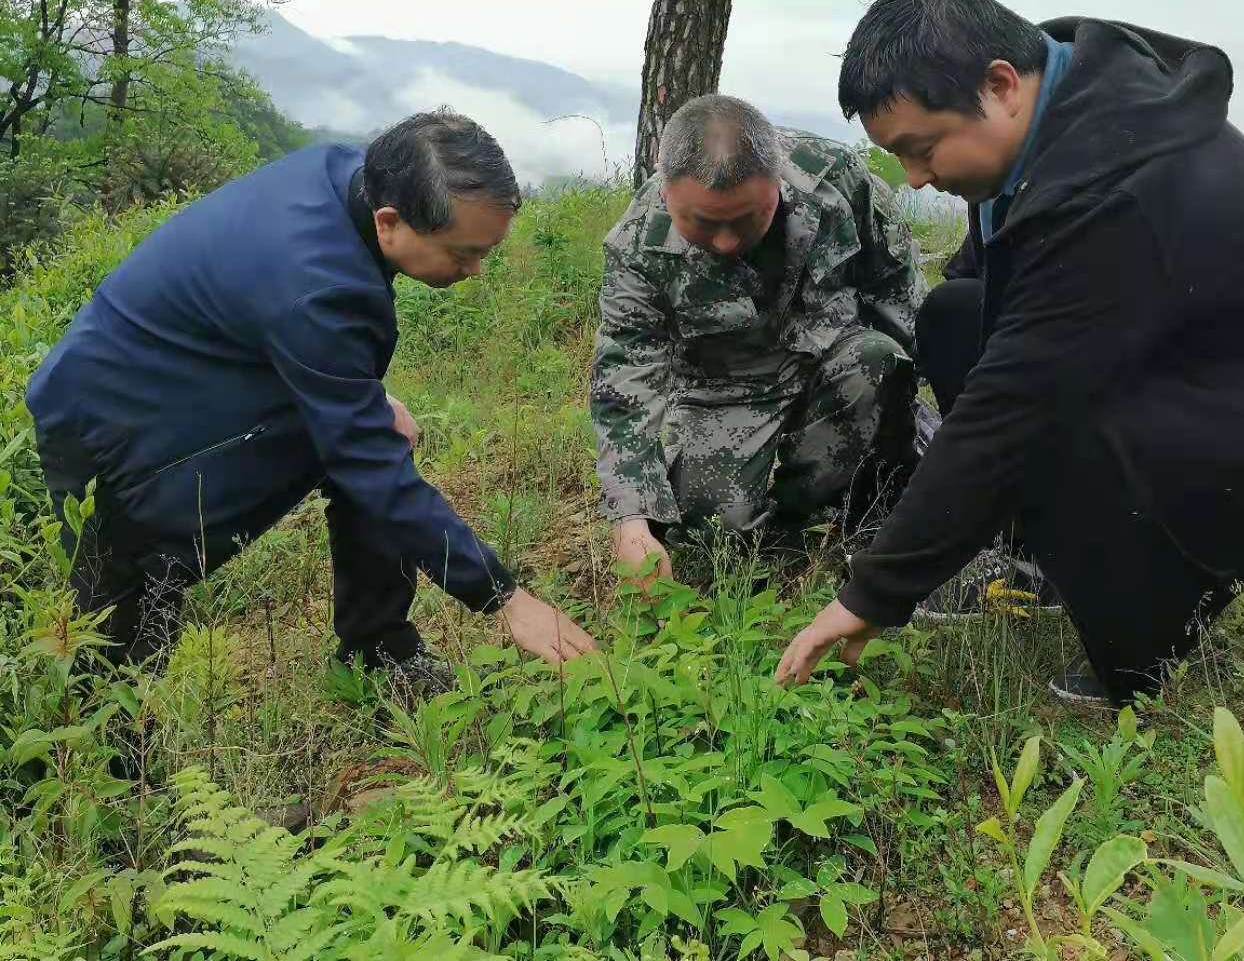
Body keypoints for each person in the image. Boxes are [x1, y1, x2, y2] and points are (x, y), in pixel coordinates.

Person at [775, 0, 1244, 705]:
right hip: (1183, 360)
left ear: (1000, 85)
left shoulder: (1112, 189)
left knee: (1053, 423)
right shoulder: (1055, 112)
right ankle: (1046, 563)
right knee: (955, 316)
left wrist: (872, 593)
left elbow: (1010, 408)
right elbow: (1001, 321)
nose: (916, 178)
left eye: (923, 148)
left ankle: (1143, 642)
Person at [28, 109, 595, 692]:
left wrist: (361, 403)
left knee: (383, 432)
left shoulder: (354, 174)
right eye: (461, 253)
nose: (475, 271)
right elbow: (364, 458)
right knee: (127, 610)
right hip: (108, 414)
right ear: (390, 222)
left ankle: (379, 656)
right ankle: (107, 762)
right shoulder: (322, 284)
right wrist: (502, 596)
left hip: (193, 371)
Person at [591, 94, 928, 581]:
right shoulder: (638, 247)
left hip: (834, 363)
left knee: (881, 358)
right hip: (728, 392)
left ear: (778, 184)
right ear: (666, 193)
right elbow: (624, 382)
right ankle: (770, 531)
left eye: (747, 219)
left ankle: (839, 512)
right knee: (712, 542)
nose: (726, 242)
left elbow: (896, 288)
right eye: (704, 224)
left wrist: (910, 409)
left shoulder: (833, 178)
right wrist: (629, 518)